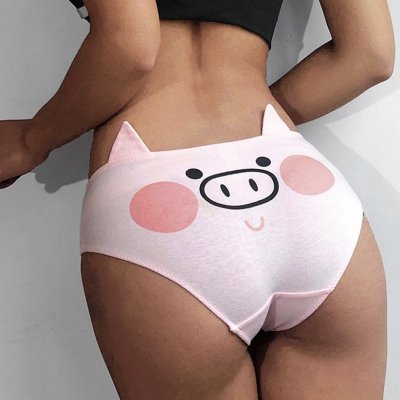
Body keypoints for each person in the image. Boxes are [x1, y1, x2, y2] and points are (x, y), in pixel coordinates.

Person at [0, 0, 395, 398]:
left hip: (156, 188)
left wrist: (30, 141)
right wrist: (253, 117)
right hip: (300, 190)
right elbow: (369, 55)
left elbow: (130, 46)